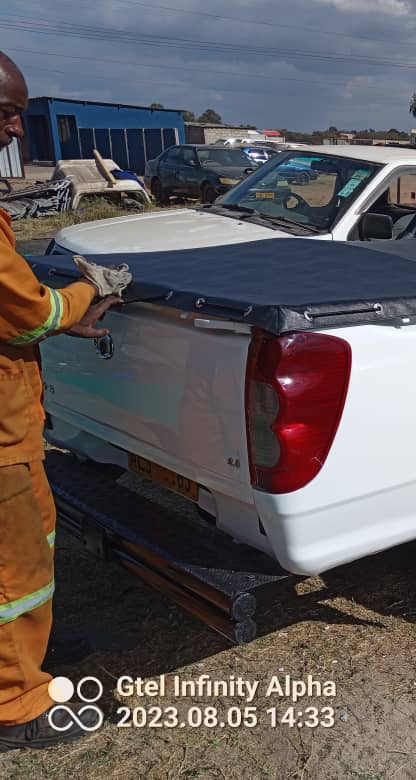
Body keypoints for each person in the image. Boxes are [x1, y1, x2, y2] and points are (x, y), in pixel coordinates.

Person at [0, 50, 126, 749]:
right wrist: (92, 292)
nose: (18, 129)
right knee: (12, 566)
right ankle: (15, 706)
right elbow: (29, 312)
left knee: (29, 548)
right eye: (6, 112)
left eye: (19, 111)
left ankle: (28, 658)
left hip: (15, 428)